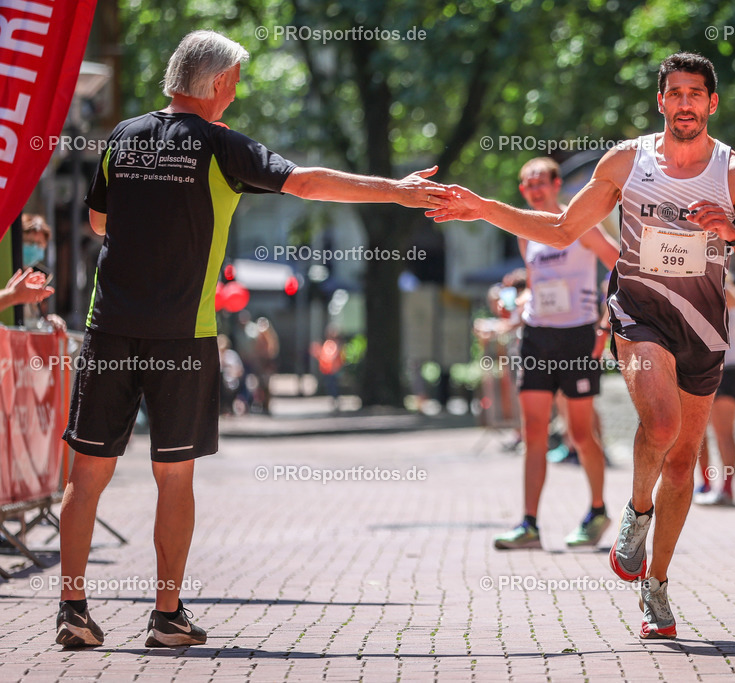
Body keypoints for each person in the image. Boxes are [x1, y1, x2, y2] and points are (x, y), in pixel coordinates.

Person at [56, 30, 446, 649]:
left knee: (87, 473)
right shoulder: (220, 146)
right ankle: (166, 615)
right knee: (174, 475)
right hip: (182, 334)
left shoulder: (122, 138)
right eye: (233, 84)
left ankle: (72, 610)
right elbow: (310, 183)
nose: (234, 97)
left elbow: (99, 221)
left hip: (109, 331)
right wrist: (396, 191)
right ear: (213, 84)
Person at [428, 52, 735, 639]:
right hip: (639, 312)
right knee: (662, 424)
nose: (685, 103)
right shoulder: (628, 161)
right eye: (675, 93)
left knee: (682, 462)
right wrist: (482, 208)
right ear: (662, 102)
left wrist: (733, 232)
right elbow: (563, 228)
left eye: (696, 94)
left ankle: (657, 584)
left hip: (703, 326)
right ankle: (635, 510)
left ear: (712, 104)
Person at [491, 156, 619, 550]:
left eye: (540, 182)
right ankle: (528, 524)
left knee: (580, 432)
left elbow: (619, 263)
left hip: (577, 338)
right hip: (536, 338)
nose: (534, 190)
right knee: (533, 433)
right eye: (527, 185)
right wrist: (513, 308)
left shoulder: (578, 222)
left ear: (557, 184)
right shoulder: (526, 232)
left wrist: (605, 321)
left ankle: (598, 511)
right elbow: (536, 285)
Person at [695, 272, 735, 506]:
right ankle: (704, 483)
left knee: (723, 432)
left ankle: (727, 488)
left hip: (729, 369)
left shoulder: (730, 292)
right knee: (697, 433)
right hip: (702, 368)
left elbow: (729, 295)